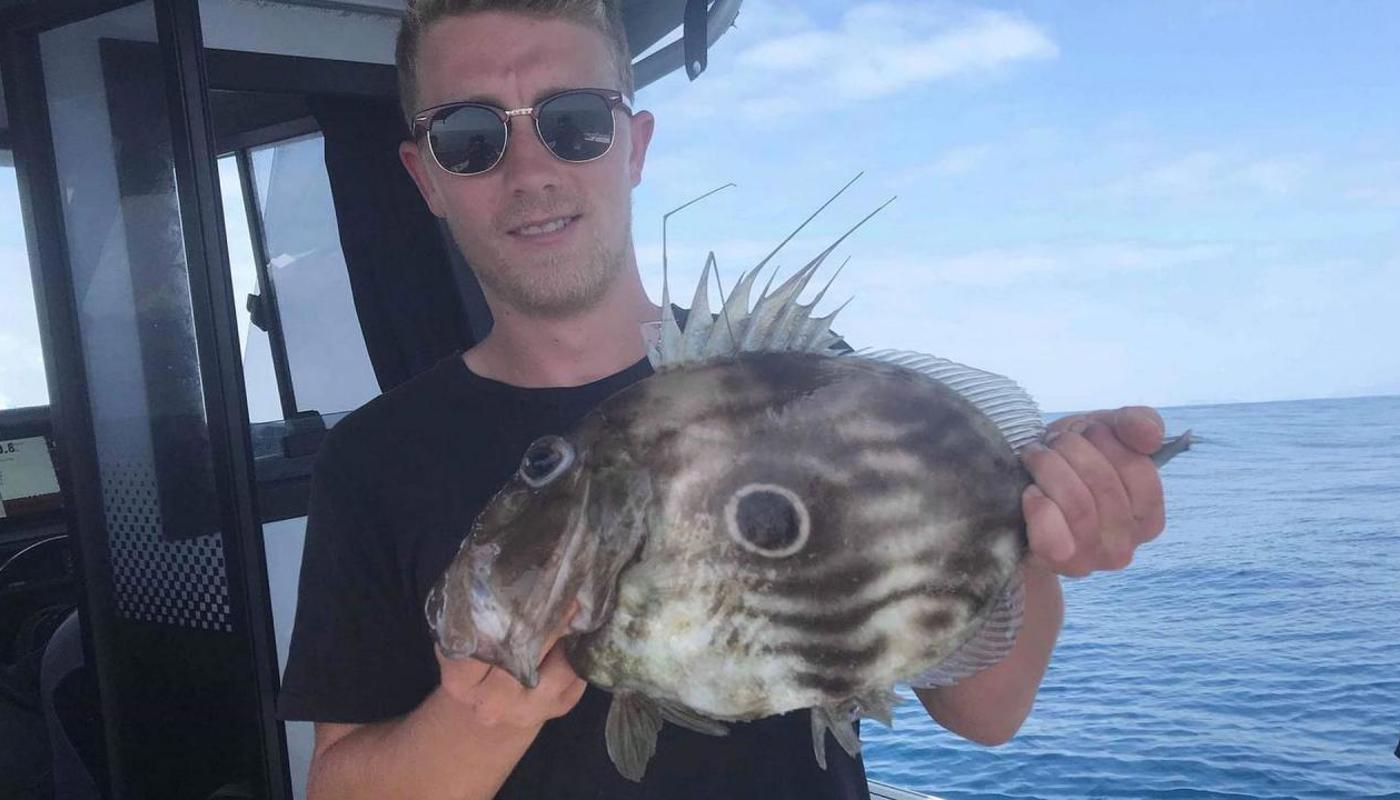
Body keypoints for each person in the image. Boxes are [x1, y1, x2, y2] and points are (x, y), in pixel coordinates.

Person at [275, 2, 1172, 799]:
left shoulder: (812, 383)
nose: (531, 170)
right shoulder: (373, 459)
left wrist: (1045, 535)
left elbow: (985, 714)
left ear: (635, 144)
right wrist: (486, 715)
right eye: (470, 138)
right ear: (424, 174)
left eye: (575, 122)